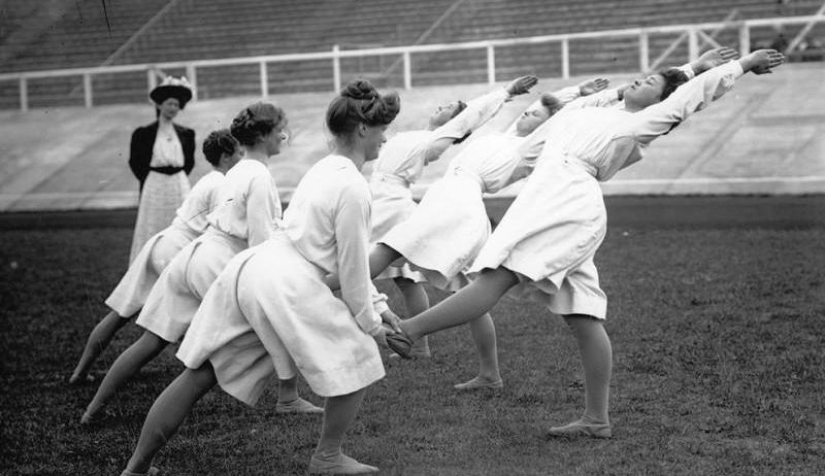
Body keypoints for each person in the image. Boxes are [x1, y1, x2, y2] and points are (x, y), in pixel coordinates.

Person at [386, 49, 785, 438]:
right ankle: (597, 419)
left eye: (650, 83)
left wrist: (742, 65)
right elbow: (605, 97)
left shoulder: (641, 123)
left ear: (658, 102)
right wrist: (693, 65)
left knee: (495, 277)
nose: (639, 80)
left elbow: (686, 97)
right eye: (642, 76)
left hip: (566, 207)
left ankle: (409, 330)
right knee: (582, 314)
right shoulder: (597, 113)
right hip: (552, 202)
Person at [118, 79, 401, 476]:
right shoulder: (353, 185)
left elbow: (343, 261)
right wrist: (374, 324)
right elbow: (353, 268)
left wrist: (379, 306)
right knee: (360, 356)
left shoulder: (323, 168)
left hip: (251, 269)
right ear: (362, 129)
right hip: (285, 280)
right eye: (382, 130)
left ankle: (134, 469)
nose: (384, 139)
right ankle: (327, 458)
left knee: (200, 374)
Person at [329, 76, 609, 392]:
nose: (527, 115)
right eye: (527, 111)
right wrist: (548, 94)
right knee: (468, 290)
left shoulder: (528, 149)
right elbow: (526, 113)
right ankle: (489, 374)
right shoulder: (504, 137)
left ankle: (323, 290)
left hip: (458, 207)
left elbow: (558, 117)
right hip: (449, 202)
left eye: (537, 116)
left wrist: (582, 96)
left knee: (388, 252)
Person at [82, 102, 321, 424]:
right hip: (217, 263)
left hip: (191, 256)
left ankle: (92, 410)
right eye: (281, 130)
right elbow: (260, 246)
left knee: (150, 342)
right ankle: (288, 398)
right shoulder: (260, 176)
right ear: (264, 136)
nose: (285, 135)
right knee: (279, 318)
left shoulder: (236, 170)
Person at [369, 74, 539, 358]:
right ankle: (418, 344)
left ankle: (420, 343)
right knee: (408, 280)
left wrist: (505, 92)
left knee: (444, 285)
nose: (442, 106)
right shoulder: (416, 136)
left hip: (392, 209)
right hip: (379, 202)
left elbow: (469, 117)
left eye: (450, 107)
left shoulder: (433, 142)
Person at [69, 130, 242, 385]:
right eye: (239, 153)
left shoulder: (209, 178)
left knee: (120, 314)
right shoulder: (221, 183)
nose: (242, 157)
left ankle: (79, 372)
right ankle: (210, 369)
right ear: (226, 156)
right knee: (169, 328)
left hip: (161, 243)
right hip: (175, 249)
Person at [128, 76, 196, 263]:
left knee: (180, 224)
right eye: (169, 104)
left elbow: (189, 162)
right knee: (153, 225)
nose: (173, 108)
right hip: (155, 184)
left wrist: (176, 175)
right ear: (159, 105)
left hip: (178, 183)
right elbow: (136, 162)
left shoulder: (186, 134)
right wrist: (154, 177)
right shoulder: (144, 133)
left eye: (176, 105)